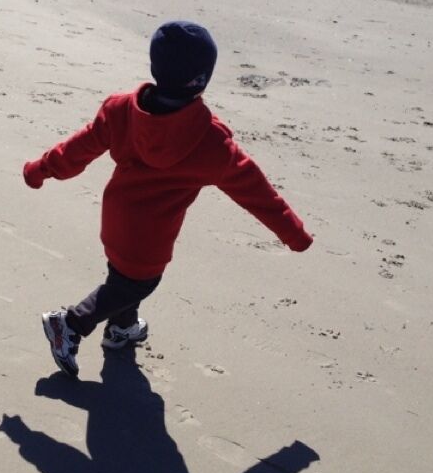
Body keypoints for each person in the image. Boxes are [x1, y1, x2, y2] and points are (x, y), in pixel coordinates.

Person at [23, 21, 313, 376]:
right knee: (138, 282)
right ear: (202, 79)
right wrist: (294, 234)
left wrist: (39, 169)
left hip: (115, 219)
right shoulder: (212, 144)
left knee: (122, 278)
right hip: (152, 239)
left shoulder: (120, 110)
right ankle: (70, 323)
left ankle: (122, 329)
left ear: (154, 67)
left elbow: (75, 150)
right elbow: (258, 194)